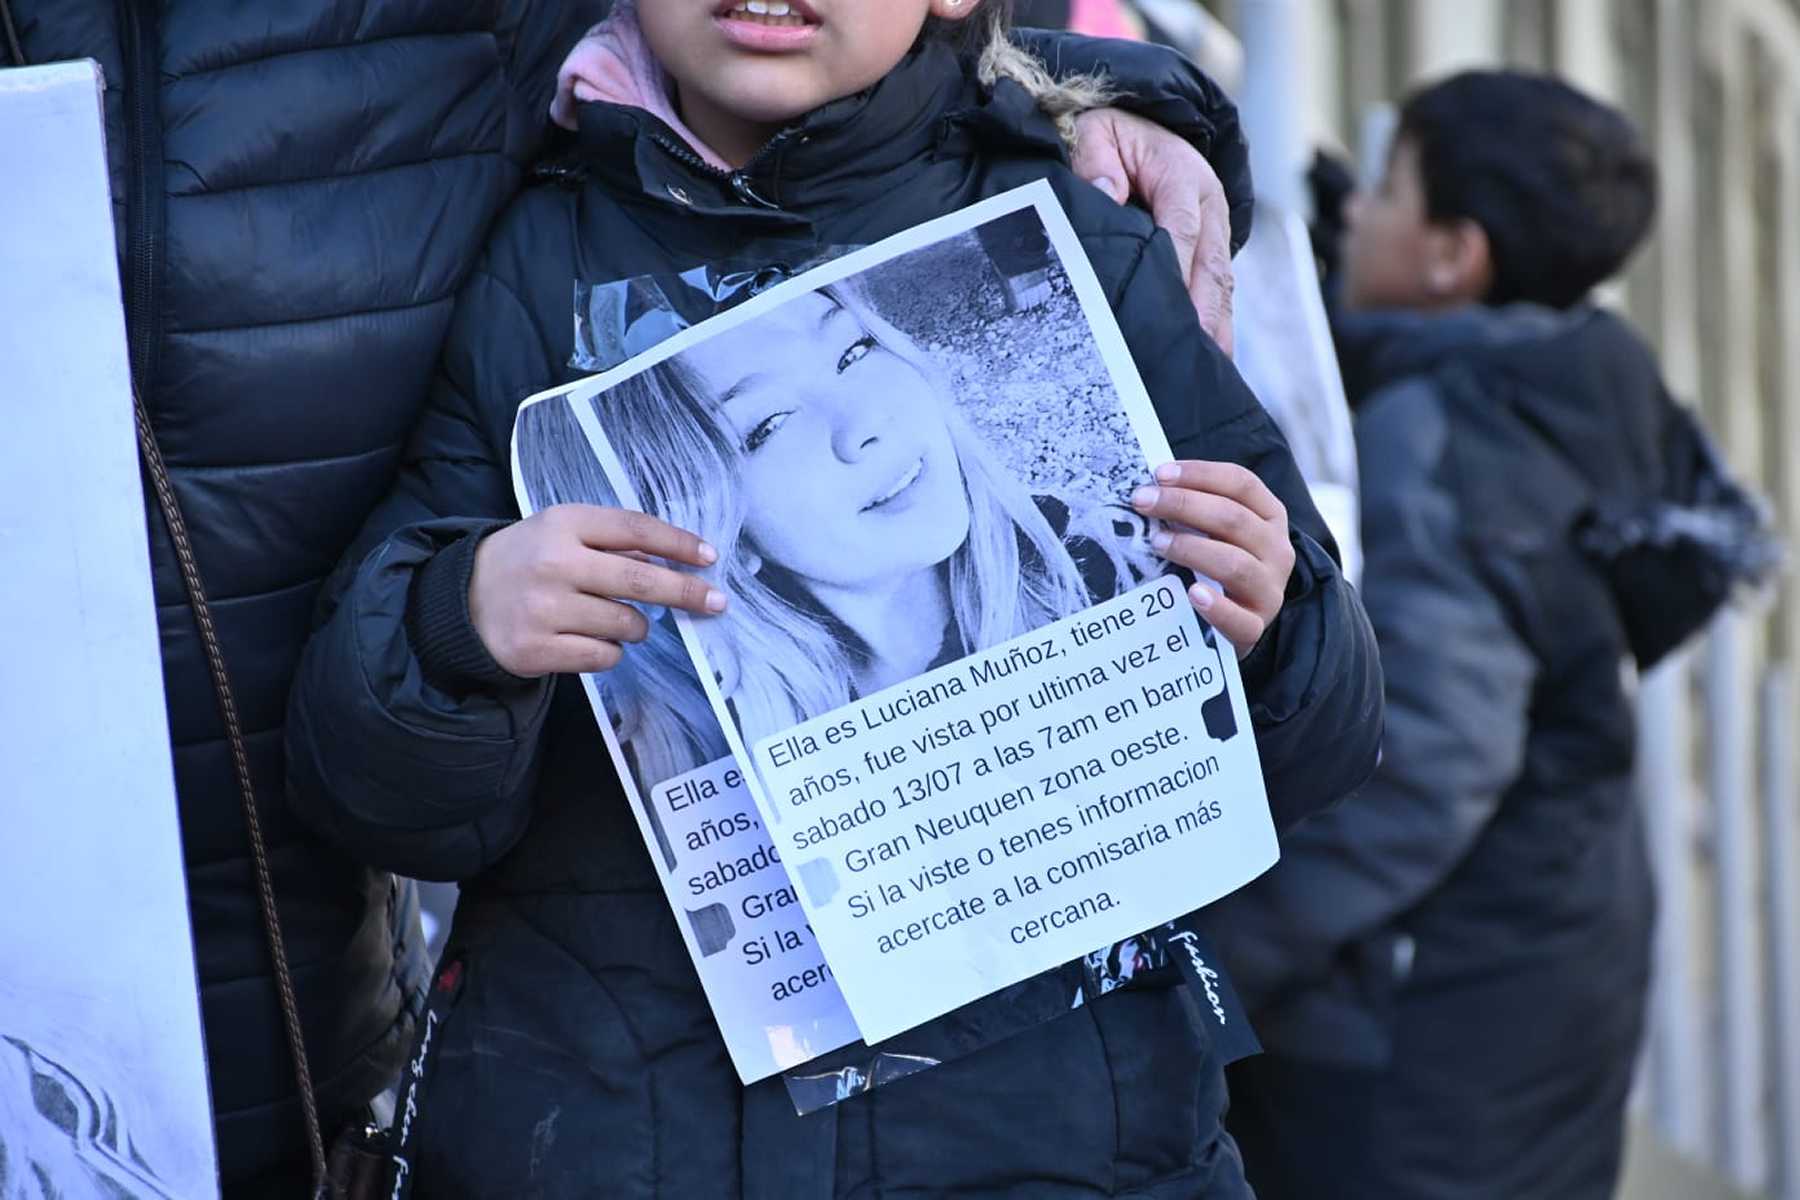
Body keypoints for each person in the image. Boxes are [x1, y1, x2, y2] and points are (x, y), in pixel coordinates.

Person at [4, 3, 1256, 1195]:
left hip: (1078, 1145)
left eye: (866, 352)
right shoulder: (535, 277)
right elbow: (389, 785)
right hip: (587, 1118)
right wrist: (459, 628)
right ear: (703, 492)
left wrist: (1277, 614)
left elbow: (1315, 740)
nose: (857, 434)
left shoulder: (1083, 246)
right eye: (762, 424)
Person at [1209, 71, 1775, 1200]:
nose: (1352, 209)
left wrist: (1208, 968)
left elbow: (1412, 766)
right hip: (1526, 1006)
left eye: (1387, 184)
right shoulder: (1565, 407)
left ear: (1451, 255)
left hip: (1415, 1043)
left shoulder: (1447, 430)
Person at [593, 280, 1150, 745]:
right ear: (722, 530)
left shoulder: (1119, 567)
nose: (863, 425)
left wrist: (1238, 649)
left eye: (854, 351)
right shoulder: (706, 734)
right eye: (769, 425)